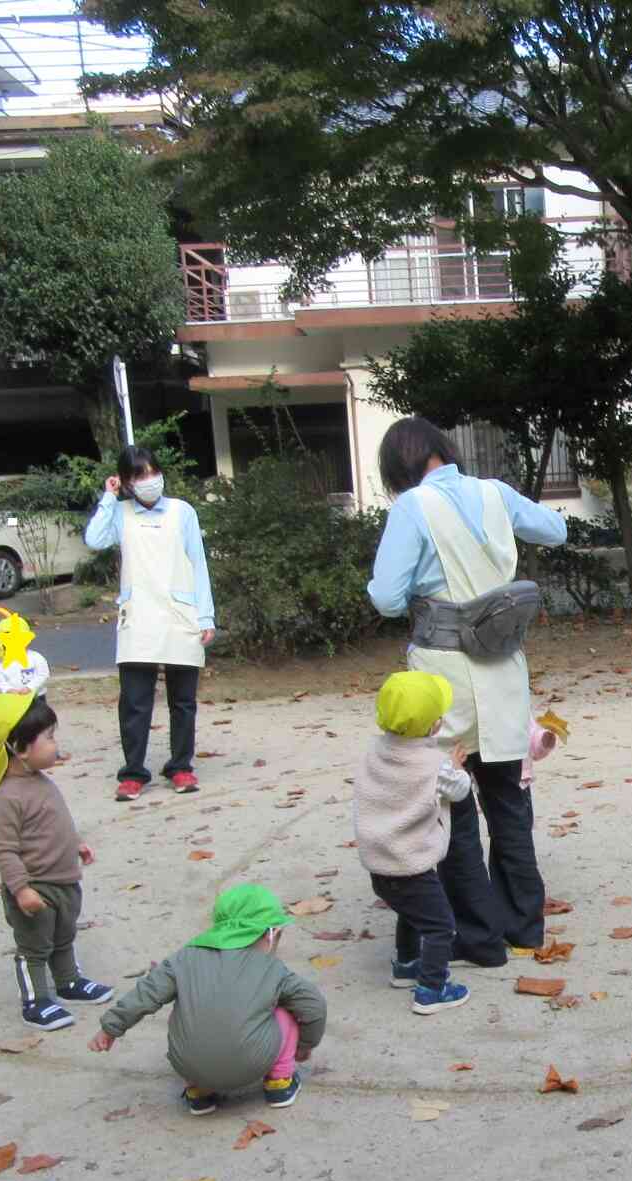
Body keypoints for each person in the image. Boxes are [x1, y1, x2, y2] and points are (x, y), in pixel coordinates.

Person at [365, 416, 567, 966]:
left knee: (449, 804)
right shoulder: (494, 492)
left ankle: (477, 936)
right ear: (442, 451)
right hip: (503, 667)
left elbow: (385, 597)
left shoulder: (411, 507)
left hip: (443, 675)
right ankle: (524, 926)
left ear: (398, 467)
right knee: (509, 802)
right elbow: (556, 530)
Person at [90, 884, 327, 1115]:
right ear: (269, 933)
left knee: (189, 1011)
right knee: (286, 1010)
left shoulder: (183, 958)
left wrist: (110, 1028)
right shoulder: (271, 968)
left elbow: (145, 994)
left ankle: (199, 1092)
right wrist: (305, 1046)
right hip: (252, 1063)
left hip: (189, 1065)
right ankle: (280, 1083)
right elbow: (313, 1004)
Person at [0, 692, 111, 1030]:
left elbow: (56, 822)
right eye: (48, 737)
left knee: (64, 936)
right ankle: (35, 1001)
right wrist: (20, 890)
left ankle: (68, 981)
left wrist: (77, 843)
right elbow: (5, 850)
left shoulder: (41, 782)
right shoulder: (7, 797)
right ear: (19, 748)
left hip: (65, 880)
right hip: (35, 888)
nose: (55, 744)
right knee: (34, 946)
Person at [85, 445, 215, 802]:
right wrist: (109, 498)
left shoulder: (182, 512)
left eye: (152, 472)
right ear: (126, 482)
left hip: (180, 614)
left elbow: (198, 564)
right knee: (134, 701)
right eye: (139, 476)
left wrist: (206, 615)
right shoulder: (120, 513)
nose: (149, 481)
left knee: (183, 700)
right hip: (138, 616)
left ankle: (180, 766)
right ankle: (133, 772)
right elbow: (94, 540)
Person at [355, 671, 475, 1015]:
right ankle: (432, 989)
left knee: (409, 911)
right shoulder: (433, 764)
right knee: (441, 926)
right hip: (412, 862)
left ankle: (406, 965)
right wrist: (455, 766)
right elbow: (459, 790)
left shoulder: (374, 751)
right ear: (436, 724)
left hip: (380, 861)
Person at [0, 613, 49, 695]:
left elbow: (43, 674)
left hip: (36, 696)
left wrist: (30, 687)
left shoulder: (36, 657)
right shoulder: (2, 661)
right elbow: (0, 679)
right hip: (13, 698)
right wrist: (8, 689)